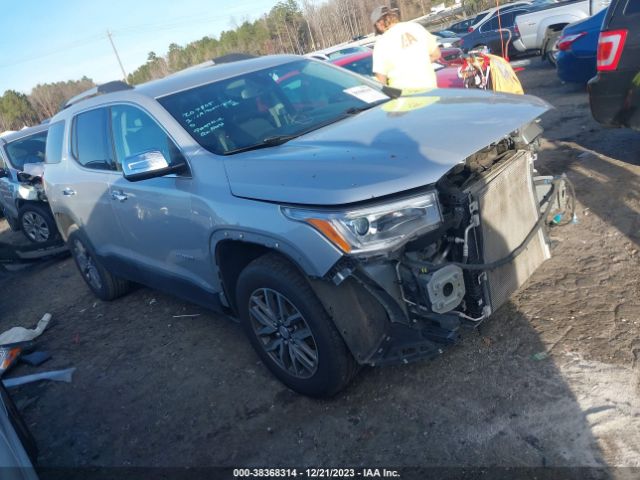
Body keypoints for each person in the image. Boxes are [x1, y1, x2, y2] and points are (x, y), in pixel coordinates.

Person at [371, 5, 441, 91]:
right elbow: (436, 54)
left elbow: (381, 80)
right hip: (430, 90)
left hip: (405, 97)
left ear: (379, 24)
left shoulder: (381, 43)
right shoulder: (415, 27)